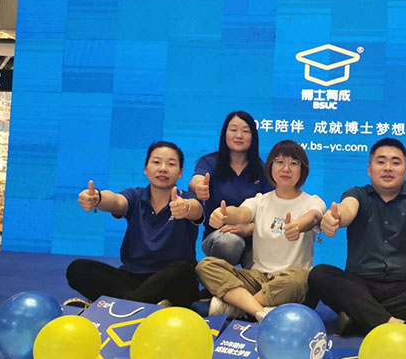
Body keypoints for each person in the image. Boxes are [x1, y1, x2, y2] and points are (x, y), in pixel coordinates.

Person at [307, 138, 406, 343]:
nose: (388, 168)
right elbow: (347, 209)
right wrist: (336, 218)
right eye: (381, 162)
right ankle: (399, 323)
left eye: (395, 162)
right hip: (360, 285)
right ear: (369, 169)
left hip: (405, 287)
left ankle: (359, 318)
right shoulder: (357, 194)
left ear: (405, 169)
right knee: (319, 274)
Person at [196, 140, 325, 321]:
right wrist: (224, 215)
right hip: (257, 278)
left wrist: (298, 226)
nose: (286, 168)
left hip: (290, 280)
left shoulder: (312, 201)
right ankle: (258, 310)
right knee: (205, 265)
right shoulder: (259, 200)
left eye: (293, 163)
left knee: (300, 279)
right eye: (279, 162)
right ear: (270, 166)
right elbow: (241, 213)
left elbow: (314, 217)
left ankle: (238, 307)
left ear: (302, 170)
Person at [66, 141, 203, 307]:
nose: (163, 168)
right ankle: (145, 304)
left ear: (180, 172)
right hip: (132, 277)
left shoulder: (187, 199)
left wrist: (186, 208)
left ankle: (118, 306)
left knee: (183, 270)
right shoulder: (135, 196)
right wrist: (98, 198)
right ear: (146, 169)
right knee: (78, 269)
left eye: (171, 164)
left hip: (173, 280)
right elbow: (116, 201)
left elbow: (196, 210)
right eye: (156, 162)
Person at [189, 111, 273, 268]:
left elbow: (271, 213)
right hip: (219, 236)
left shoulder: (263, 169)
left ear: (253, 136)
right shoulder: (209, 162)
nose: (239, 135)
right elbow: (197, 180)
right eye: (233, 130)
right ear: (224, 133)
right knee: (230, 241)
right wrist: (199, 187)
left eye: (245, 131)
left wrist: (246, 229)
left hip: (253, 238)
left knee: (262, 261)